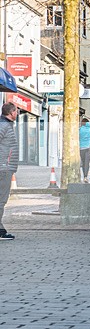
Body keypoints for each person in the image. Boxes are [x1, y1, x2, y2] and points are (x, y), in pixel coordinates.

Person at [0, 103, 19, 241]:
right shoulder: (4, 126)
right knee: (1, 200)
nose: (17, 114)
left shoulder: (5, 125)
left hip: (5, 166)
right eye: (16, 111)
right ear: (11, 113)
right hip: (3, 168)